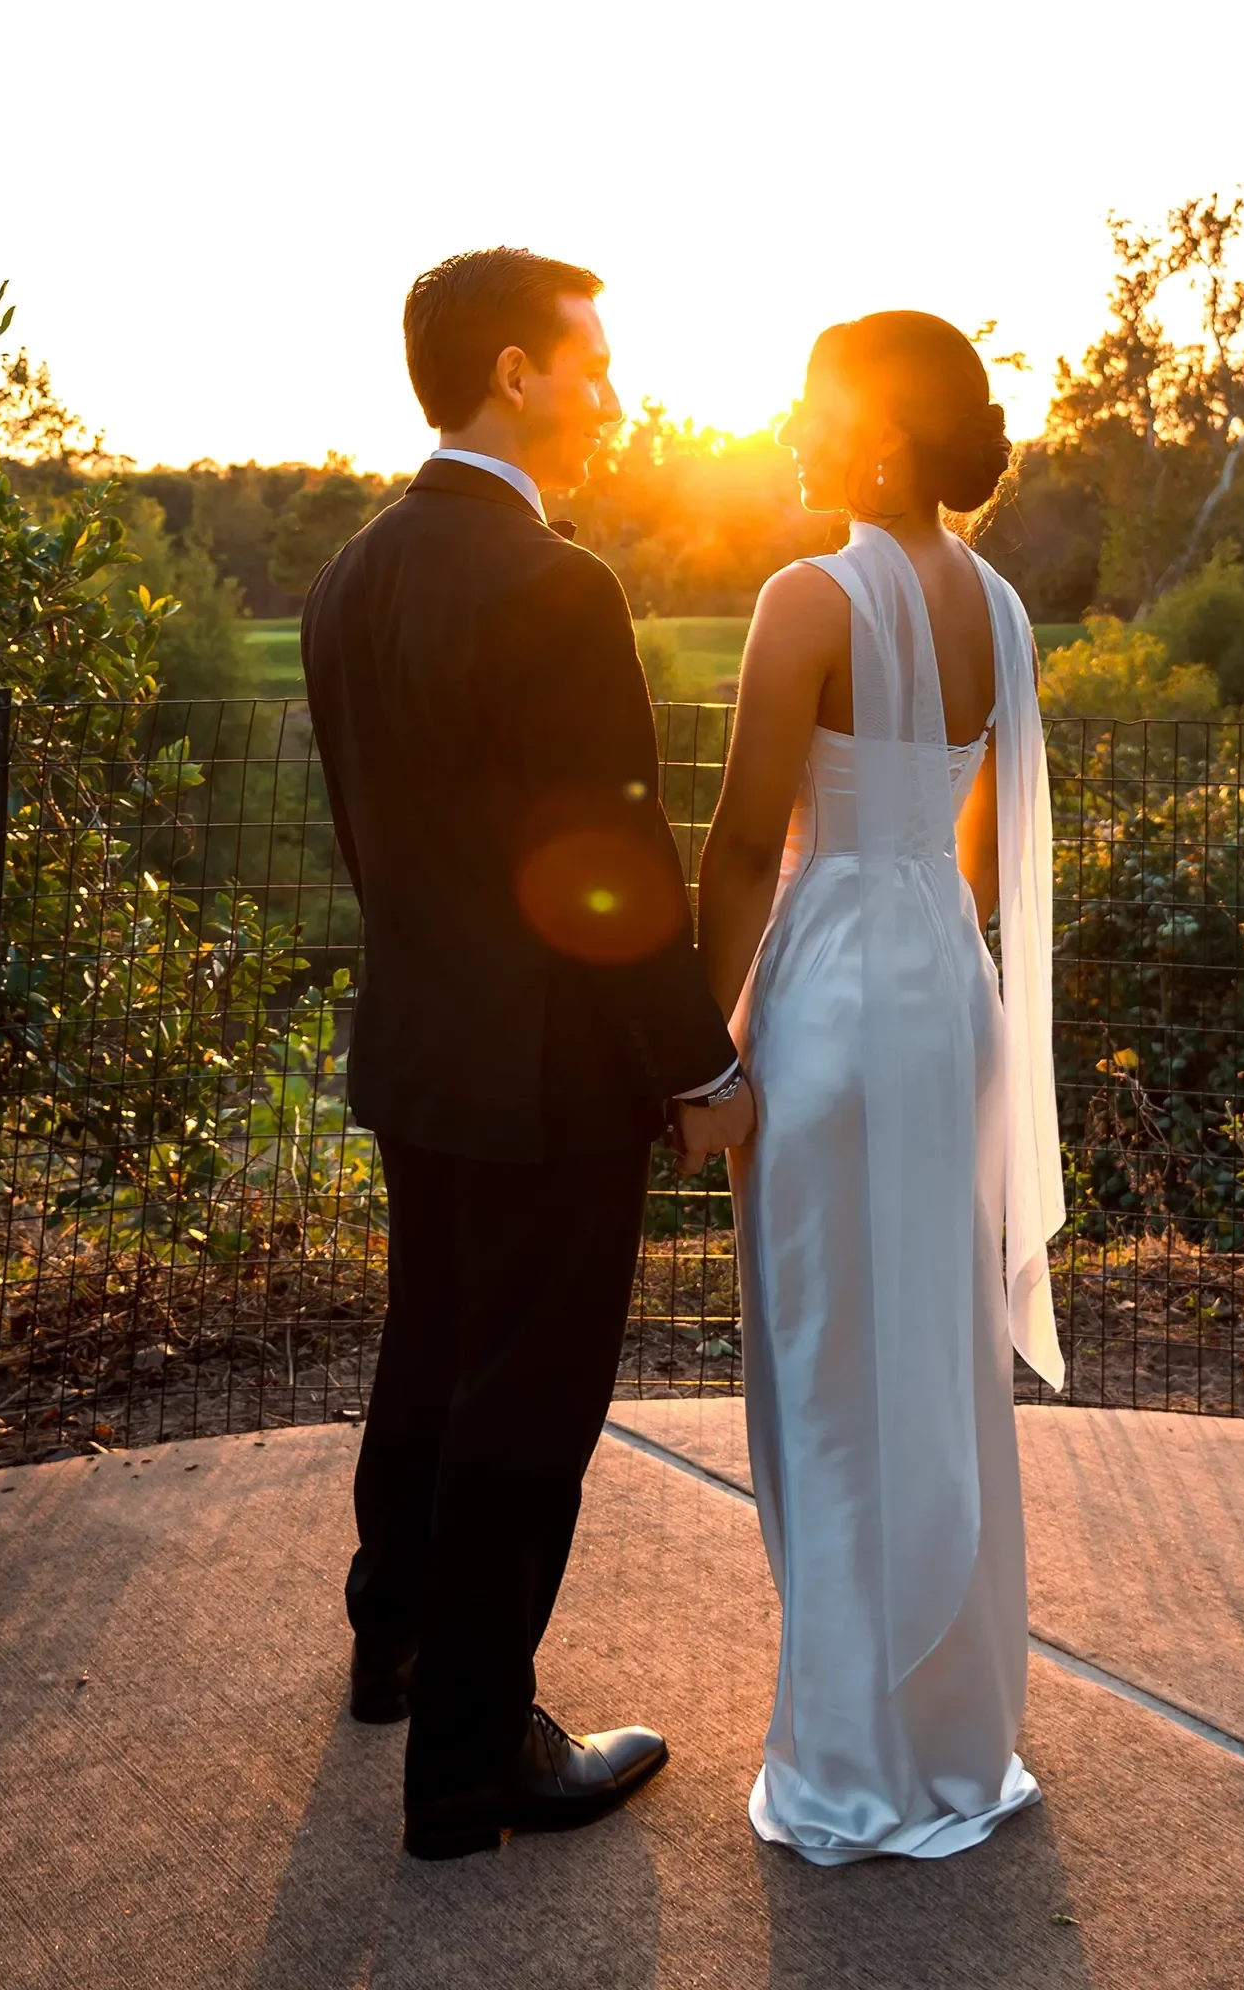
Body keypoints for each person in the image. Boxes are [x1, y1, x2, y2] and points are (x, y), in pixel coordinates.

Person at [301, 247, 756, 1862]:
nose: (615, 393)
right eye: (592, 360)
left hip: (418, 1049)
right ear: (515, 372)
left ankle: (396, 1641)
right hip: (552, 1069)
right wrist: (699, 1070)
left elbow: (373, 839)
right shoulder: (557, 586)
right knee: (529, 1399)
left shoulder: (350, 575)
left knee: (429, 1348)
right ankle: (476, 1760)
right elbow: (610, 857)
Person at [696, 310, 1066, 1864]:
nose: (788, 421)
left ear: (884, 438)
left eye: (812, 401)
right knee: (931, 1363)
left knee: (831, 1371)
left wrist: (709, 1050)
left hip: (837, 996)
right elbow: (981, 852)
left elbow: (733, 848)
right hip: (949, 990)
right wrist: (938, 960)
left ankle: (847, 1767)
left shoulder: (810, 598)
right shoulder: (1000, 605)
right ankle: (953, 1740)